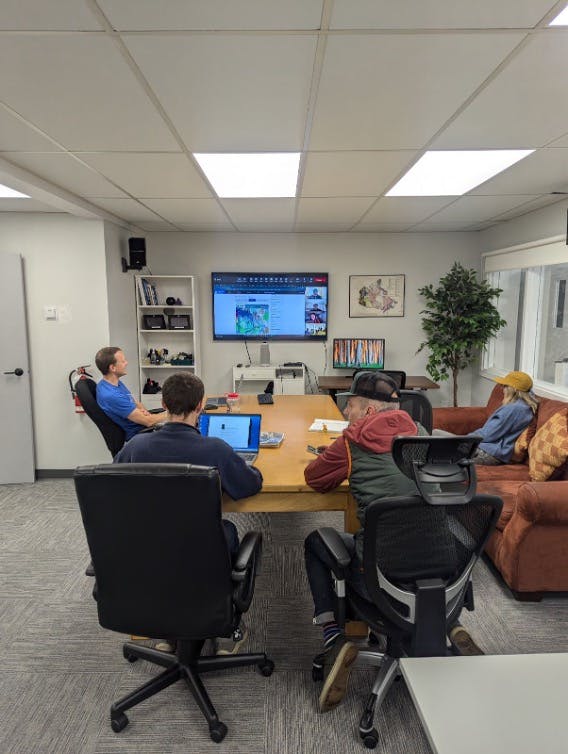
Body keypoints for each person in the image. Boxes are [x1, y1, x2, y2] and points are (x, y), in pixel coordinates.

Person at [114, 371, 263, 654]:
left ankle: (170, 628)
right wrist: (250, 468)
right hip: (201, 552)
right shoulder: (215, 449)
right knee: (228, 531)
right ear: (200, 407)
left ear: (163, 404)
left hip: (146, 549)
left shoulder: (135, 447)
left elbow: (113, 484)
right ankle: (225, 624)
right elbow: (249, 486)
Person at [303, 372, 422, 713]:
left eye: (351, 407)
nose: (346, 415)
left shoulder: (353, 440)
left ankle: (333, 634)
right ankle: (445, 623)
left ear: (369, 411)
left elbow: (315, 479)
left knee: (316, 541)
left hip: (379, 581)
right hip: (441, 575)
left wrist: (337, 455)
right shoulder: (422, 435)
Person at [436, 371, 538, 465]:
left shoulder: (513, 409)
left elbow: (488, 435)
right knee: (436, 436)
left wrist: (465, 440)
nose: (502, 389)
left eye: (505, 386)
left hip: (488, 452)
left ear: (514, 389)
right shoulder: (525, 406)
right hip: (488, 448)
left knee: (435, 436)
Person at [95, 347, 165, 440]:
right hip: (140, 436)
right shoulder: (111, 395)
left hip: (145, 428)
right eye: (123, 361)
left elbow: (134, 402)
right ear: (113, 368)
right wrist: (175, 413)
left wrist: (144, 412)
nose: (126, 363)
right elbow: (148, 422)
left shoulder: (113, 383)